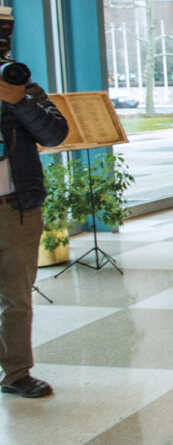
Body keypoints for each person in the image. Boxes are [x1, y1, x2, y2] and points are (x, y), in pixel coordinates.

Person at [0, 59, 68, 399]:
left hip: (16, 207)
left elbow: (55, 133)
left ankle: (16, 372)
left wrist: (19, 101)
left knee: (16, 296)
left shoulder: (19, 85)